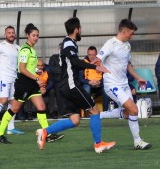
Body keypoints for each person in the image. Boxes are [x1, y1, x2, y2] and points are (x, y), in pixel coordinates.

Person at [36, 17, 115, 153]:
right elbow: (75, 63)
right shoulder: (69, 44)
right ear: (76, 30)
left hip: (65, 86)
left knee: (75, 120)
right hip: (71, 85)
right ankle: (98, 144)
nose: (81, 31)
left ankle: (44, 132)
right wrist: (94, 67)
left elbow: (73, 62)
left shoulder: (69, 43)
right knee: (94, 110)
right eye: (80, 29)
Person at [0, 23, 64, 144]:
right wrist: (37, 79)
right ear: (28, 35)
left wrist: (37, 72)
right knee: (14, 109)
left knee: (41, 107)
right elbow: (22, 69)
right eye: (33, 35)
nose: (36, 38)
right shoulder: (25, 50)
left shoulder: (31, 49)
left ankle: (47, 134)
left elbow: (28, 68)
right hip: (24, 83)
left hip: (31, 83)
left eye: (37, 35)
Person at [96, 19, 152, 150]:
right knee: (134, 110)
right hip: (112, 85)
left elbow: (127, 65)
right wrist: (101, 68)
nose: (132, 36)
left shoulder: (127, 45)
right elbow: (97, 60)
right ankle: (138, 141)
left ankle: (100, 115)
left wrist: (138, 78)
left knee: (129, 114)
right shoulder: (111, 44)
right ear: (123, 31)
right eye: (131, 33)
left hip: (124, 84)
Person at [0, 26, 24, 136]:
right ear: (5, 35)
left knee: (13, 103)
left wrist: (36, 70)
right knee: (3, 100)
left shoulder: (18, 47)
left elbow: (22, 63)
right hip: (3, 78)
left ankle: (10, 128)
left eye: (13, 33)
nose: (11, 34)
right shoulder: (0, 46)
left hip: (14, 78)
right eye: (9, 33)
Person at [79, 46, 110, 111]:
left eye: (93, 55)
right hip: (88, 85)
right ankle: (88, 110)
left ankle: (105, 111)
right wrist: (88, 82)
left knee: (107, 89)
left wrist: (100, 82)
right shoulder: (83, 63)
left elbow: (107, 76)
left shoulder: (101, 63)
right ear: (87, 54)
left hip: (99, 86)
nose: (91, 56)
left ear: (96, 54)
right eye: (90, 55)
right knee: (86, 88)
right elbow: (80, 78)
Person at [48, 43, 65, 118]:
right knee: (58, 90)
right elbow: (52, 69)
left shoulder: (68, 58)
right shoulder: (53, 57)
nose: (62, 50)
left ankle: (68, 111)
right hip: (56, 81)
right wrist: (63, 72)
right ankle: (61, 112)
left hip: (66, 80)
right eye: (61, 48)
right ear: (58, 48)